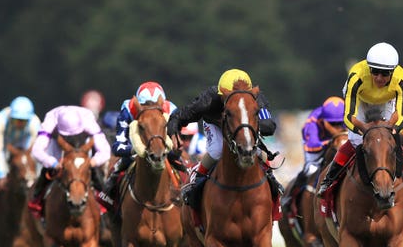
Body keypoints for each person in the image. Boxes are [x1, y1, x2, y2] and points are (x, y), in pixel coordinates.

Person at [166, 68, 282, 206]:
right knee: (216, 150)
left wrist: (245, 124)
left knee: (254, 150)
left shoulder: (256, 99)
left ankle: (271, 179)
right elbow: (181, 115)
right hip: (215, 125)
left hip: (243, 128)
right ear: (221, 95)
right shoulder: (209, 99)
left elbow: (269, 127)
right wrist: (173, 131)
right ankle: (196, 182)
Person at [317, 42, 403, 197]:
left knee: (391, 141)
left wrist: (391, 129)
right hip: (360, 99)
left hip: (386, 100)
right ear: (369, 69)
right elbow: (349, 117)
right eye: (375, 72)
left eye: (384, 74)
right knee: (355, 140)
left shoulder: (402, 81)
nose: (379, 77)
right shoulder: (357, 77)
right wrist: (364, 130)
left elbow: (402, 116)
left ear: (393, 71)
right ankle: (329, 179)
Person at [98, 81, 178, 210]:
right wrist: (136, 149)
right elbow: (118, 146)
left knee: (185, 164)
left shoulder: (172, 109)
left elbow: (177, 144)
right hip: (136, 147)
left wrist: (170, 149)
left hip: (164, 147)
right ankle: (109, 200)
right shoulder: (128, 109)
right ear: (138, 105)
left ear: (162, 105)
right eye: (144, 106)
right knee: (118, 168)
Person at [27, 105, 111, 218]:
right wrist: (53, 163)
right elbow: (37, 150)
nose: (72, 138)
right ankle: (37, 201)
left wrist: (92, 162)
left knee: (95, 173)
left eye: (75, 135)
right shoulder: (50, 120)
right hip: (58, 147)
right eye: (69, 136)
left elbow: (105, 151)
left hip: (82, 149)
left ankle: (105, 201)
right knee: (47, 171)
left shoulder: (88, 120)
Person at [0, 96, 41, 226]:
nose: (20, 124)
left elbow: (34, 150)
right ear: (11, 117)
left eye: (23, 121)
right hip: (2, 146)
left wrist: (33, 173)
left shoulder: (34, 123)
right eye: (17, 120)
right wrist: (2, 174)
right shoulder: (0, 121)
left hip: (23, 144)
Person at [281, 96, 345, 212]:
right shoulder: (312, 123)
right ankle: (290, 197)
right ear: (323, 120)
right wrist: (331, 142)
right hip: (315, 146)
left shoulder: (346, 117)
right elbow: (313, 145)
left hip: (335, 142)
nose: (338, 128)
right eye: (333, 124)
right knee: (310, 169)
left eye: (340, 123)